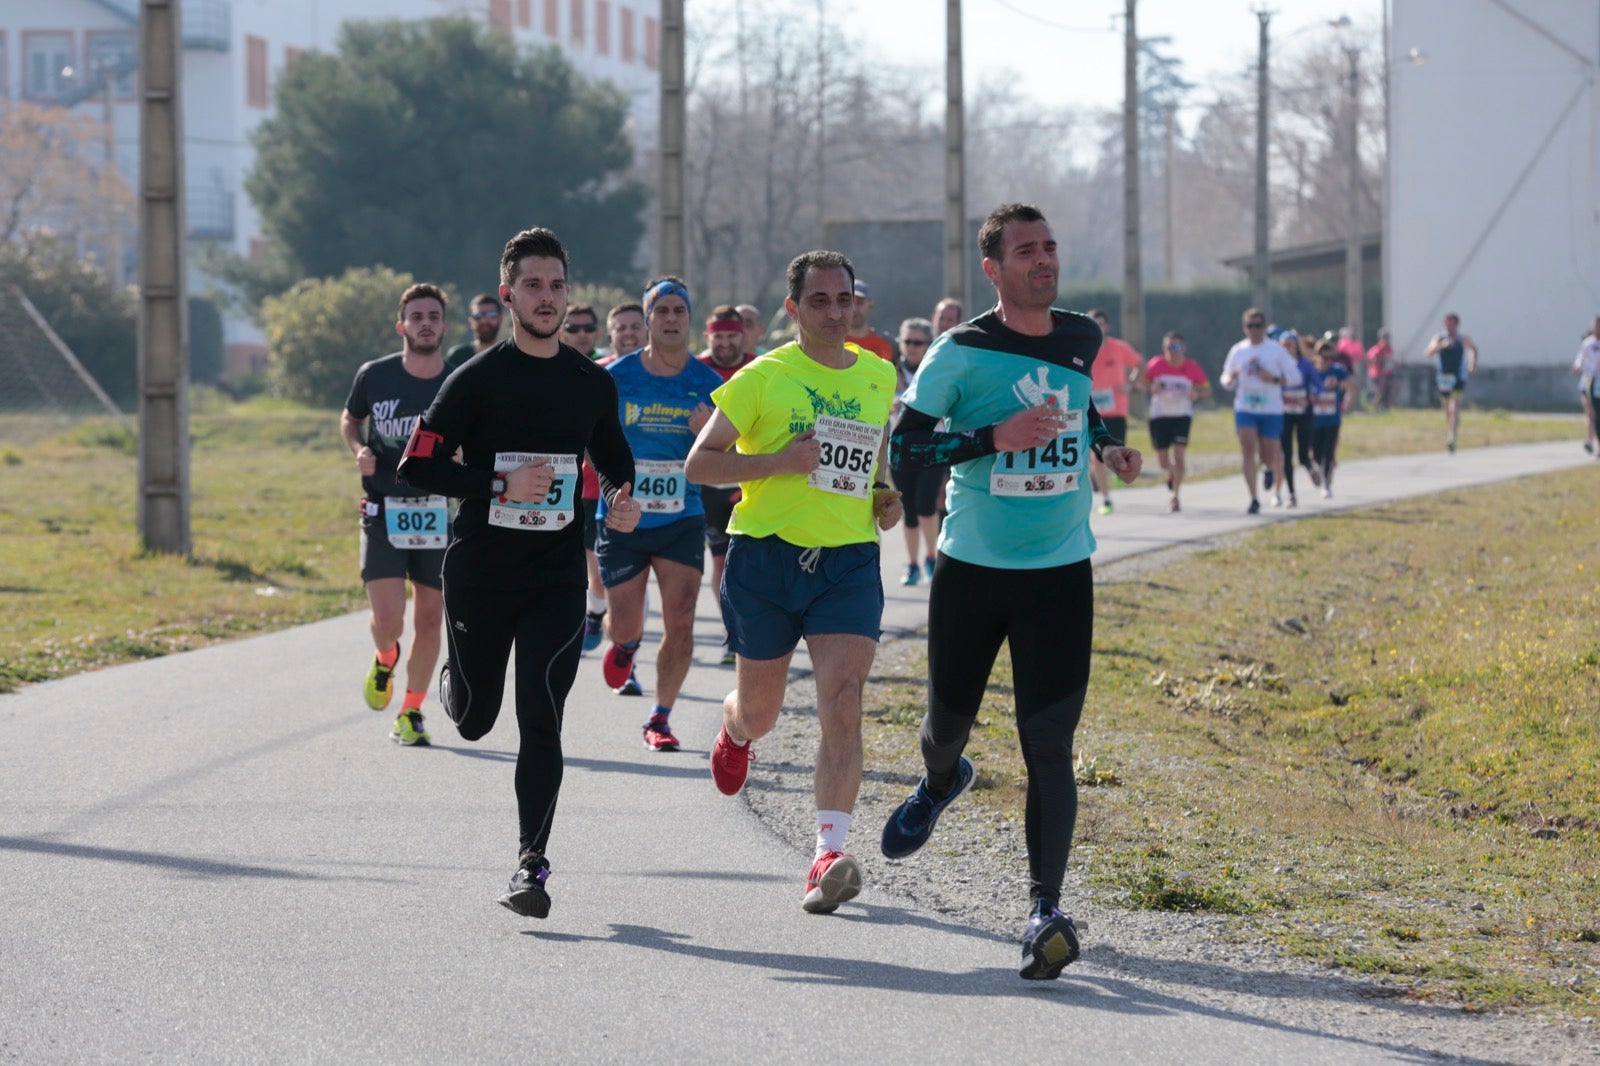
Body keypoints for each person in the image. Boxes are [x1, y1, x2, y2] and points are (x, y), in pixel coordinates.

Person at [880, 202, 1142, 981]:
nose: (1044, 259)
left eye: (1050, 246)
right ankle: (940, 781)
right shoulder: (961, 351)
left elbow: (1080, 407)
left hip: (1060, 574)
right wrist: (992, 438)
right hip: (973, 571)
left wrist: (1107, 448)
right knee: (945, 729)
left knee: (1049, 744)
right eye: (1027, 250)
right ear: (993, 269)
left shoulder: (1081, 336)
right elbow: (908, 449)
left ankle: (1044, 911)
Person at [396, 227, 641, 920]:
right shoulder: (475, 379)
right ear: (508, 295)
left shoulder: (591, 383)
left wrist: (622, 501)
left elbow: (614, 460)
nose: (546, 297)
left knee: (542, 715)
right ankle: (459, 678)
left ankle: (532, 863)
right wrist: (498, 485)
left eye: (556, 285)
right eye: (532, 285)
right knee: (476, 721)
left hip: (555, 579)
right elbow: (417, 465)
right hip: (480, 572)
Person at [685, 249, 902, 916]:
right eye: (819, 301)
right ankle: (735, 729)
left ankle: (827, 854)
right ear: (793, 308)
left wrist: (883, 492)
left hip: (848, 562)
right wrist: (780, 461)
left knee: (843, 698)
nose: (835, 313)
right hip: (766, 559)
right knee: (763, 712)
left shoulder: (878, 373)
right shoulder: (763, 377)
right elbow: (700, 465)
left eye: (844, 300)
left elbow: (874, 451)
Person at [595, 277, 723, 750]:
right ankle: (625, 644)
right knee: (626, 622)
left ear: (690, 319)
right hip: (622, 517)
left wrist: (707, 435)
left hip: (681, 517)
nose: (671, 319)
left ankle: (660, 717)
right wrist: (613, 490)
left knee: (682, 618)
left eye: (679, 311)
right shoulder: (615, 377)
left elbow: (730, 454)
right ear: (647, 319)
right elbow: (590, 443)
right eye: (662, 311)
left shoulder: (709, 385)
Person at [341, 283, 453, 746]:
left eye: (433, 316)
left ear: (444, 326)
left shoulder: (459, 380)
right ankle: (385, 656)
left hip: (439, 513)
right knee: (389, 619)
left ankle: (411, 711)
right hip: (383, 510)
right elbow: (350, 419)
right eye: (417, 316)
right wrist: (359, 449)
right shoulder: (375, 375)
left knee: (429, 619)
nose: (425, 324)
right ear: (401, 325)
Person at [697, 305, 758, 665]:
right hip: (710, 485)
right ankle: (733, 636)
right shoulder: (697, 371)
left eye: (731, 335)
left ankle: (754, 633)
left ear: (743, 335)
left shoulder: (760, 368)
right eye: (718, 336)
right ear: (707, 336)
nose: (724, 343)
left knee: (751, 563)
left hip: (753, 480)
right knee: (721, 562)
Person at [1220, 307, 1301, 514]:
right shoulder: (1238, 350)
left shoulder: (1276, 350)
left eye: (1258, 326)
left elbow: (1296, 377)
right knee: (1247, 449)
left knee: (1268, 453)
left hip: (1271, 409)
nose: (1254, 330)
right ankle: (1254, 498)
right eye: (1250, 326)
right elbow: (1225, 377)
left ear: (1264, 327)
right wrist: (1230, 379)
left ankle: (1268, 468)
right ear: (1244, 328)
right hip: (1245, 407)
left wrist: (1272, 379)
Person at [564, 303, 609, 651]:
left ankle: (595, 614)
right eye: (574, 328)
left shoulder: (607, 370)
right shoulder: (552, 365)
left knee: (599, 567)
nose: (581, 334)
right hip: (558, 484)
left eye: (587, 328)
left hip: (598, 487)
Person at [889, 317, 943, 584]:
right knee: (908, 508)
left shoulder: (937, 371)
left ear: (929, 344)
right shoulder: (890, 372)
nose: (910, 347)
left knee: (925, 504)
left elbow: (949, 404)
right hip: (900, 449)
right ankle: (912, 565)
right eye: (906, 341)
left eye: (917, 342)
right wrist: (889, 406)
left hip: (931, 447)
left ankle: (932, 557)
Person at [1143, 330, 1210, 512]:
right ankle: (1171, 473)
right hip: (1159, 416)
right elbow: (1142, 383)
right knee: (1163, 462)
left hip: (1182, 416)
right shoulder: (1156, 364)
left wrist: (1197, 394)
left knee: (1179, 456)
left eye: (1176, 346)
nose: (1172, 351)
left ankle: (1175, 496)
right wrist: (1151, 388)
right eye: (1168, 347)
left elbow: (1206, 389)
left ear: (1184, 348)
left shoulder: (1191, 367)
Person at [1086, 309, 1143, 514]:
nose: (1098, 327)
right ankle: (1106, 498)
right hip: (1092, 412)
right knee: (1096, 456)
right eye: (1093, 323)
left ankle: (1116, 474)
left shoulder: (1119, 348)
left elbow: (1140, 365)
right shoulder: (1083, 348)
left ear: (1107, 326)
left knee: (1116, 453)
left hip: (1116, 410)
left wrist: (1130, 385)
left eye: (1101, 323)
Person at [1275, 330, 1320, 508]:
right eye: (1283, 346)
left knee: (1302, 455)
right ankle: (1291, 494)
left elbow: (1318, 384)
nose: (1287, 349)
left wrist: (1311, 396)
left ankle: (1310, 468)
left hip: (1303, 413)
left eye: (1290, 345)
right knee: (1286, 455)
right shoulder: (1277, 366)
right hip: (1285, 413)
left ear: (1296, 347)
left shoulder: (1305, 364)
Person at [1424, 312, 1478, 452]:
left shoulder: (1462, 338)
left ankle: (1452, 436)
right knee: (1447, 408)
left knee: (1455, 406)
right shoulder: (1439, 338)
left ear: (1456, 325)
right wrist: (1442, 346)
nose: (1450, 327)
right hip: (1444, 378)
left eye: (1452, 324)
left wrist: (1472, 364)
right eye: (1447, 324)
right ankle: (1451, 430)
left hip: (1459, 377)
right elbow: (1428, 352)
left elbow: (1473, 349)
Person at [1309, 339, 1350, 497]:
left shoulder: (1338, 370)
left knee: (1328, 451)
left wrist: (1345, 400)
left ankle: (1326, 485)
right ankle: (1323, 471)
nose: (1327, 361)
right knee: (1316, 454)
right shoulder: (1311, 371)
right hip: (1314, 419)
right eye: (1324, 357)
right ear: (1317, 356)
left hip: (1332, 419)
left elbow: (1351, 385)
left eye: (1330, 358)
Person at [445, 293, 503, 370]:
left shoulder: (510, 355)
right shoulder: (457, 356)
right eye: (478, 315)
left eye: (491, 314)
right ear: (471, 321)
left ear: (500, 319)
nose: (484, 320)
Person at [845, 278, 897, 364]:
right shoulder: (830, 342)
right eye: (848, 302)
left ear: (871, 304)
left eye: (859, 302)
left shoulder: (888, 343)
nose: (854, 308)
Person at [1572, 316, 1600, 455]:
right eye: (1595, 326)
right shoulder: (1588, 343)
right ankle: (1590, 440)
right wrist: (1577, 367)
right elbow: (1580, 358)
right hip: (1588, 383)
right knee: (1590, 412)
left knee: (1598, 414)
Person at [1366, 328, 1394, 411]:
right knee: (1381, 389)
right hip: (1377, 374)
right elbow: (1371, 360)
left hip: (1387, 373)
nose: (1387, 340)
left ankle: (1386, 407)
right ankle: (1375, 407)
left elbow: (1390, 361)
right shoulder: (1377, 348)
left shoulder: (1389, 348)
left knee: (1394, 386)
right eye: (1385, 337)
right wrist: (1382, 359)